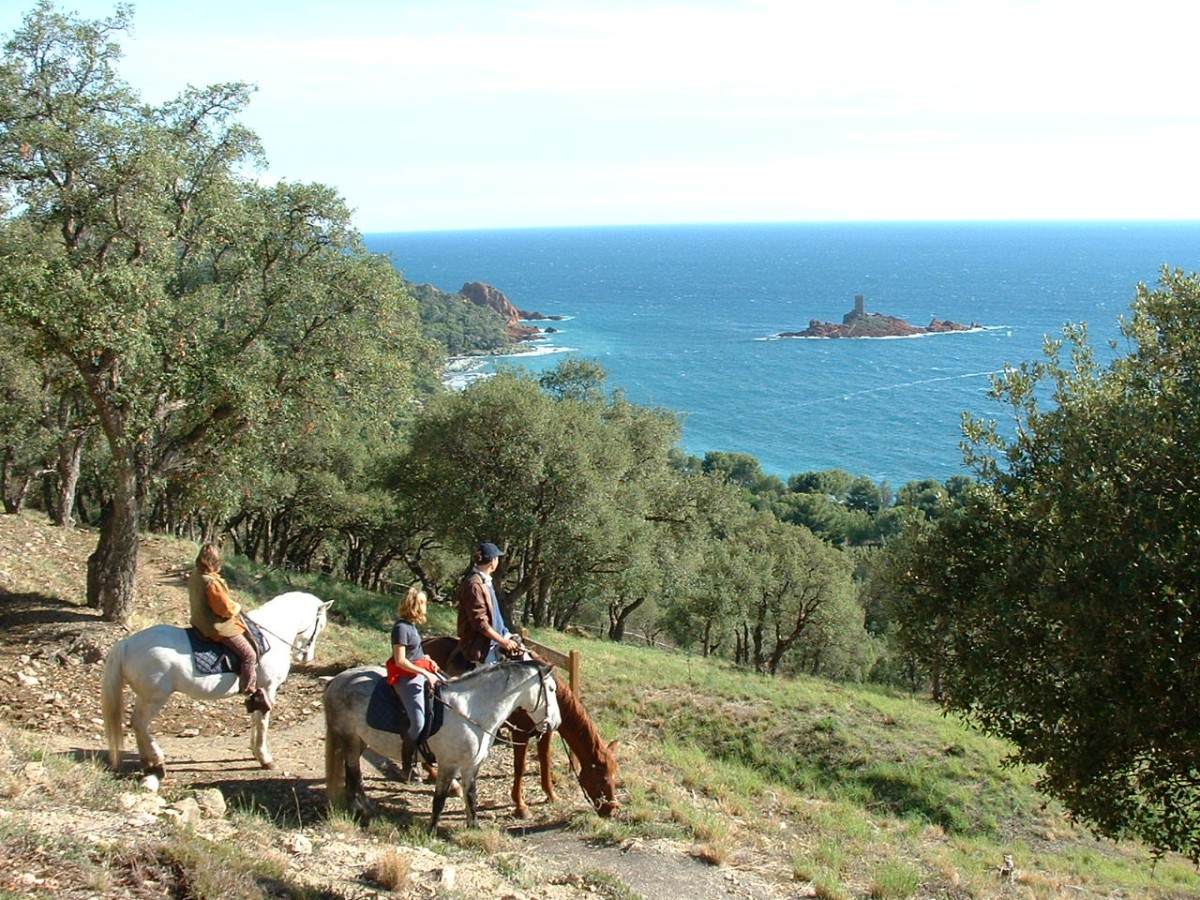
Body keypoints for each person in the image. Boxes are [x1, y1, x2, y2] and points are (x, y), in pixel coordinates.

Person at [187, 542, 271, 713]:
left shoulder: (196, 574)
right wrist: (237, 607)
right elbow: (224, 609)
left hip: (199, 621)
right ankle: (250, 692)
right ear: (213, 562)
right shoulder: (211, 582)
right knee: (249, 654)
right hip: (216, 627)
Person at [386, 585, 441, 780]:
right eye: (423, 604)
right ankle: (407, 766)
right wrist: (425, 674)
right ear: (416, 606)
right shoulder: (401, 628)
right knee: (418, 724)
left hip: (419, 670)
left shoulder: (411, 626)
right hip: (406, 677)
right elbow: (401, 660)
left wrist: (427, 659)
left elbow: (414, 652)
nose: (426, 608)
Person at [455, 541, 520, 667]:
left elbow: (495, 617)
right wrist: (502, 641)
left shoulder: (484, 581)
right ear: (493, 561)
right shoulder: (474, 585)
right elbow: (480, 623)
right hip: (481, 646)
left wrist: (507, 635)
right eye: (497, 559)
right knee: (498, 679)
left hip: (494, 640)